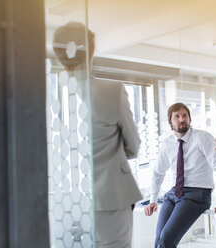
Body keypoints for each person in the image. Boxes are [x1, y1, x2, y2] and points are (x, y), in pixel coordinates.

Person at [53, 22, 142, 248]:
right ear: (91, 51)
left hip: (65, 201)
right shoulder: (111, 90)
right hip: (109, 196)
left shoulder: (49, 94)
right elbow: (133, 146)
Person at [144, 102, 216, 248]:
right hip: (173, 194)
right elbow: (158, 172)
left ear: (190, 119)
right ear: (170, 122)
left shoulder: (202, 138)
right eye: (176, 116)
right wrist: (153, 199)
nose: (181, 119)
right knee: (158, 240)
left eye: (185, 115)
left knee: (166, 238)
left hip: (197, 194)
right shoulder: (167, 144)